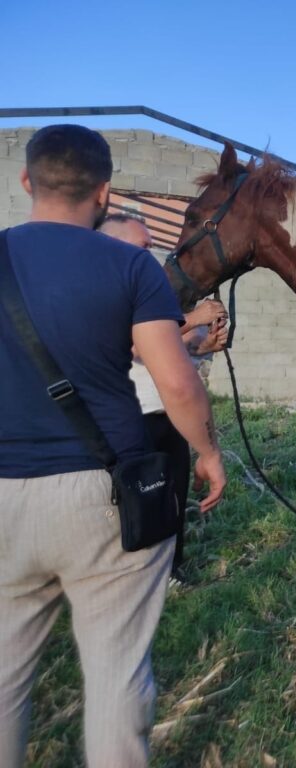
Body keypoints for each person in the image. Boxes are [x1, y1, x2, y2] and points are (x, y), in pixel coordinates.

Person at [0, 125, 226, 767]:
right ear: (104, 193)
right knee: (117, 673)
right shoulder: (130, 266)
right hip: (104, 495)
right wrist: (207, 454)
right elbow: (177, 382)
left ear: (26, 182)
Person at [98, 214, 229, 586]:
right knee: (137, 500)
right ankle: (134, 576)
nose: (150, 256)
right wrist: (196, 316)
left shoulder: (142, 290)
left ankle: (171, 570)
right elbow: (137, 343)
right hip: (134, 416)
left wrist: (205, 345)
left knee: (172, 495)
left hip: (166, 414)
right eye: (142, 246)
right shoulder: (108, 292)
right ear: (112, 243)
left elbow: (173, 350)